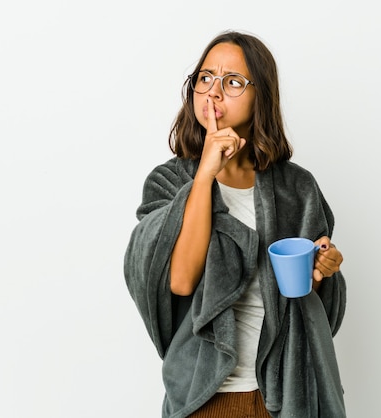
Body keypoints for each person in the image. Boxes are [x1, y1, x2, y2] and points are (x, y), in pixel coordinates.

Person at [124, 30, 347, 418]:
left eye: (232, 82)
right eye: (205, 78)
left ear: (260, 95)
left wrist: (323, 270)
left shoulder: (298, 187)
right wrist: (206, 173)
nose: (213, 92)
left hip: (283, 397)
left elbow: (316, 308)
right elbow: (179, 280)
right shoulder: (168, 182)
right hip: (204, 398)